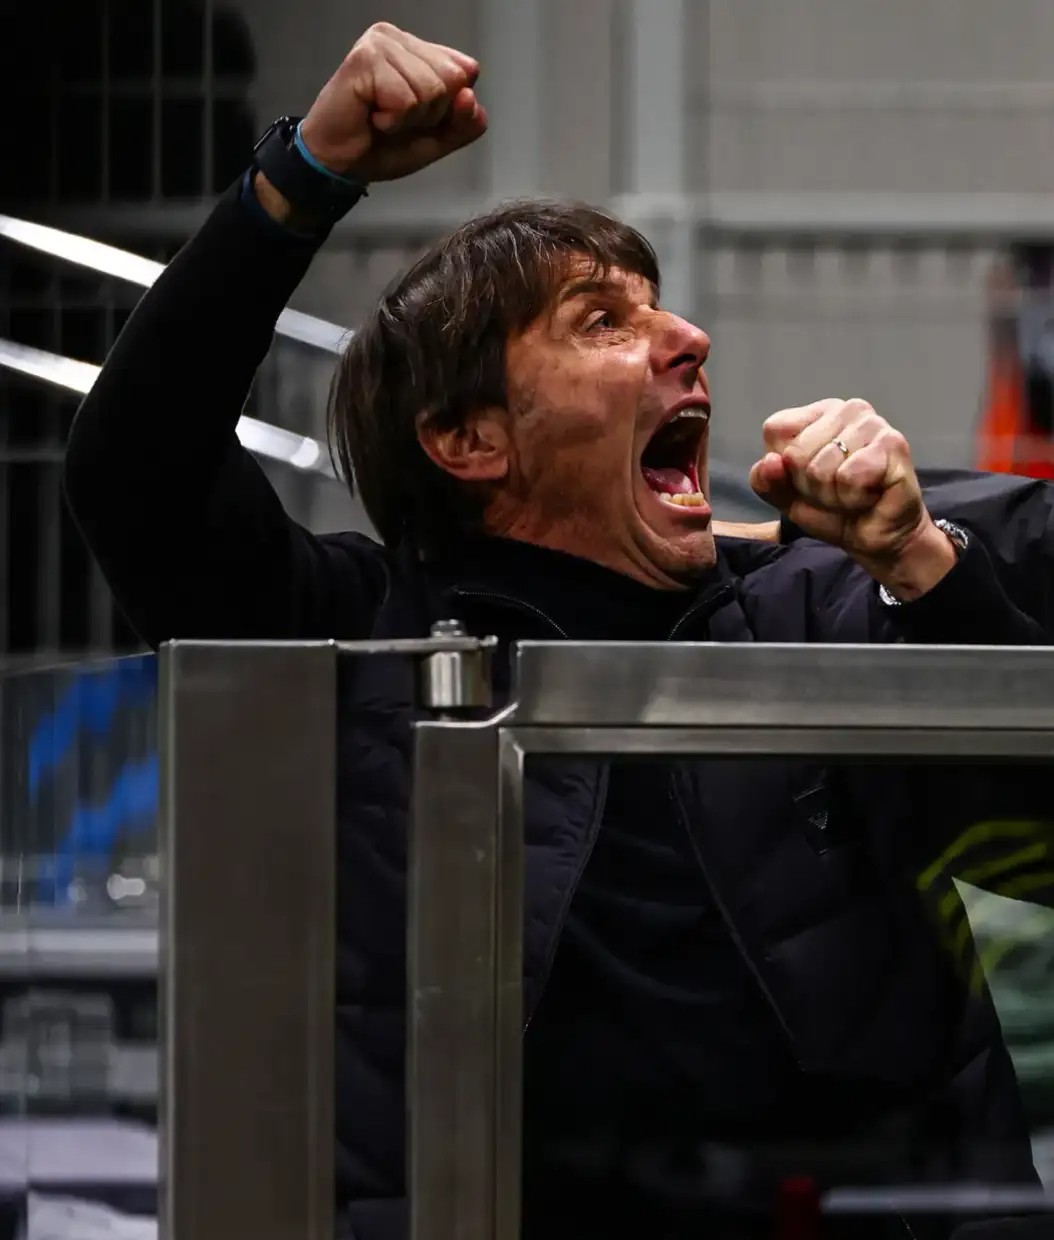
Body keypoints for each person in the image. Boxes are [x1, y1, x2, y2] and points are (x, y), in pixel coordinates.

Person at [64, 22, 1054, 1240]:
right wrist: (302, 176)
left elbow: (1035, 855)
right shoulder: (358, 645)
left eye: (660, 310)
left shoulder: (824, 609)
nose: (688, 340)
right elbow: (134, 469)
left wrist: (920, 564)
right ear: (467, 439)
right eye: (601, 321)